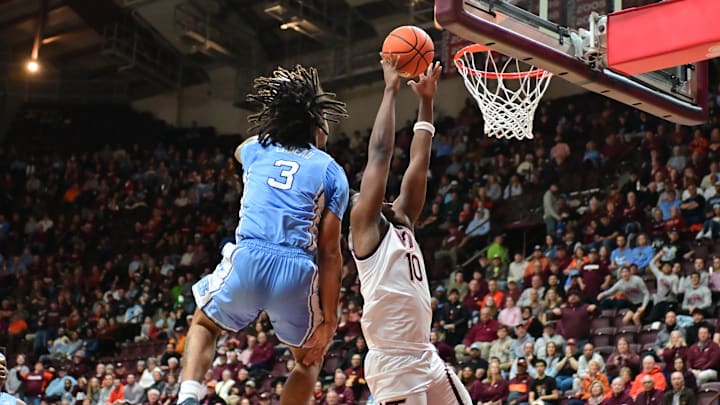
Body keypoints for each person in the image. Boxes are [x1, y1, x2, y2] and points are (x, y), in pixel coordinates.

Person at [178, 65, 350, 405]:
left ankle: (188, 397)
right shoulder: (332, 171)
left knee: (204, 324)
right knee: (308, 361)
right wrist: (330, 319)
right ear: (316, 124)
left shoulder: (257, 150)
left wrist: (275, 129)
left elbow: (241, 149)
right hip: (296, 271)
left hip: (249, 259)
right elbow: (331, 254)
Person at [350, 59, 471, 405]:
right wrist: (389, 90)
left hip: (424, 355)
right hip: (394, 364)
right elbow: (380, 155)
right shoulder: (365, 230)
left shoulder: (402, 219)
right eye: (365, 195)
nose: (378, 196)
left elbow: (419, 163)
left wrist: (426, 101)